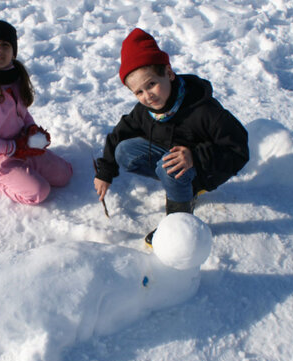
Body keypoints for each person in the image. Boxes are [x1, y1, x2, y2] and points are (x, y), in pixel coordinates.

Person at [94, 28, 249, 246]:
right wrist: (105, 172)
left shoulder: (204, 111)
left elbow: (239, 149)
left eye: (151, 84)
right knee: (124, 151)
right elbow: (119, 133)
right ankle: (183, 186)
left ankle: (177, 224)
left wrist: (195, 156)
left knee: (170, 167)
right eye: (138, 92)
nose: (147, 96)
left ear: (168, 73)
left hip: (205, 168)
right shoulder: (146, 111)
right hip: (173, 161)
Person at [0, 19, 72, 205]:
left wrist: (32, 130)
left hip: (21, 145)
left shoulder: (14, 77)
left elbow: (22, 113)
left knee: (64, 174)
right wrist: (12, 147)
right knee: (39, 192)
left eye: (5, 45)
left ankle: (24, 168)